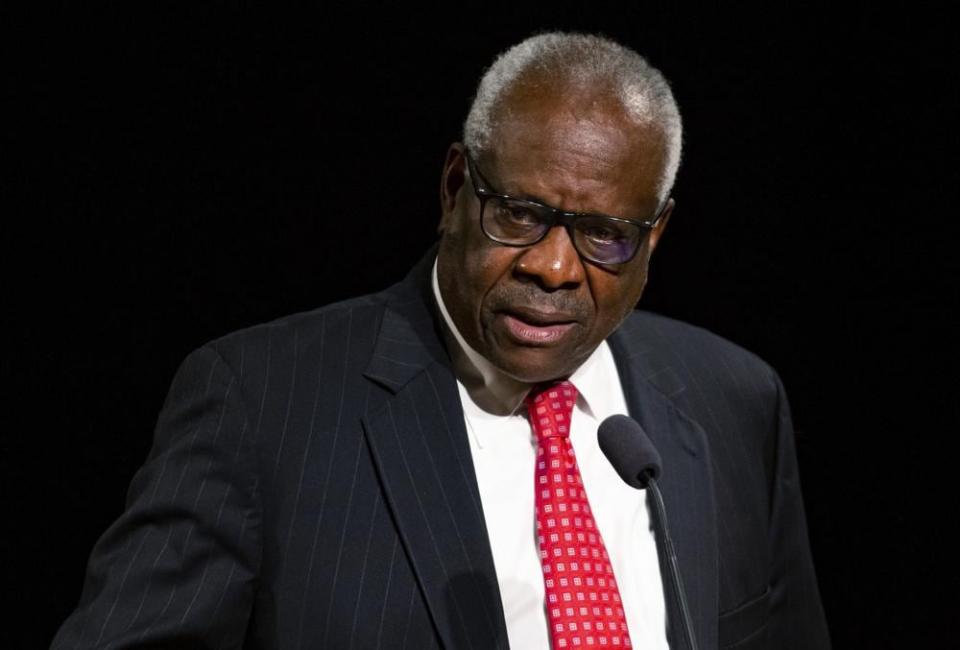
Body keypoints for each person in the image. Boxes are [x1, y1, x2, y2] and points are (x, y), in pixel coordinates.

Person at [53, 32, 830, 649]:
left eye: (603, 234)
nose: (555, 267)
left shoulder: (735, 401)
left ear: (656, 237)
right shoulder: (259, 405)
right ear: (455, 187)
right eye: (520, 214)